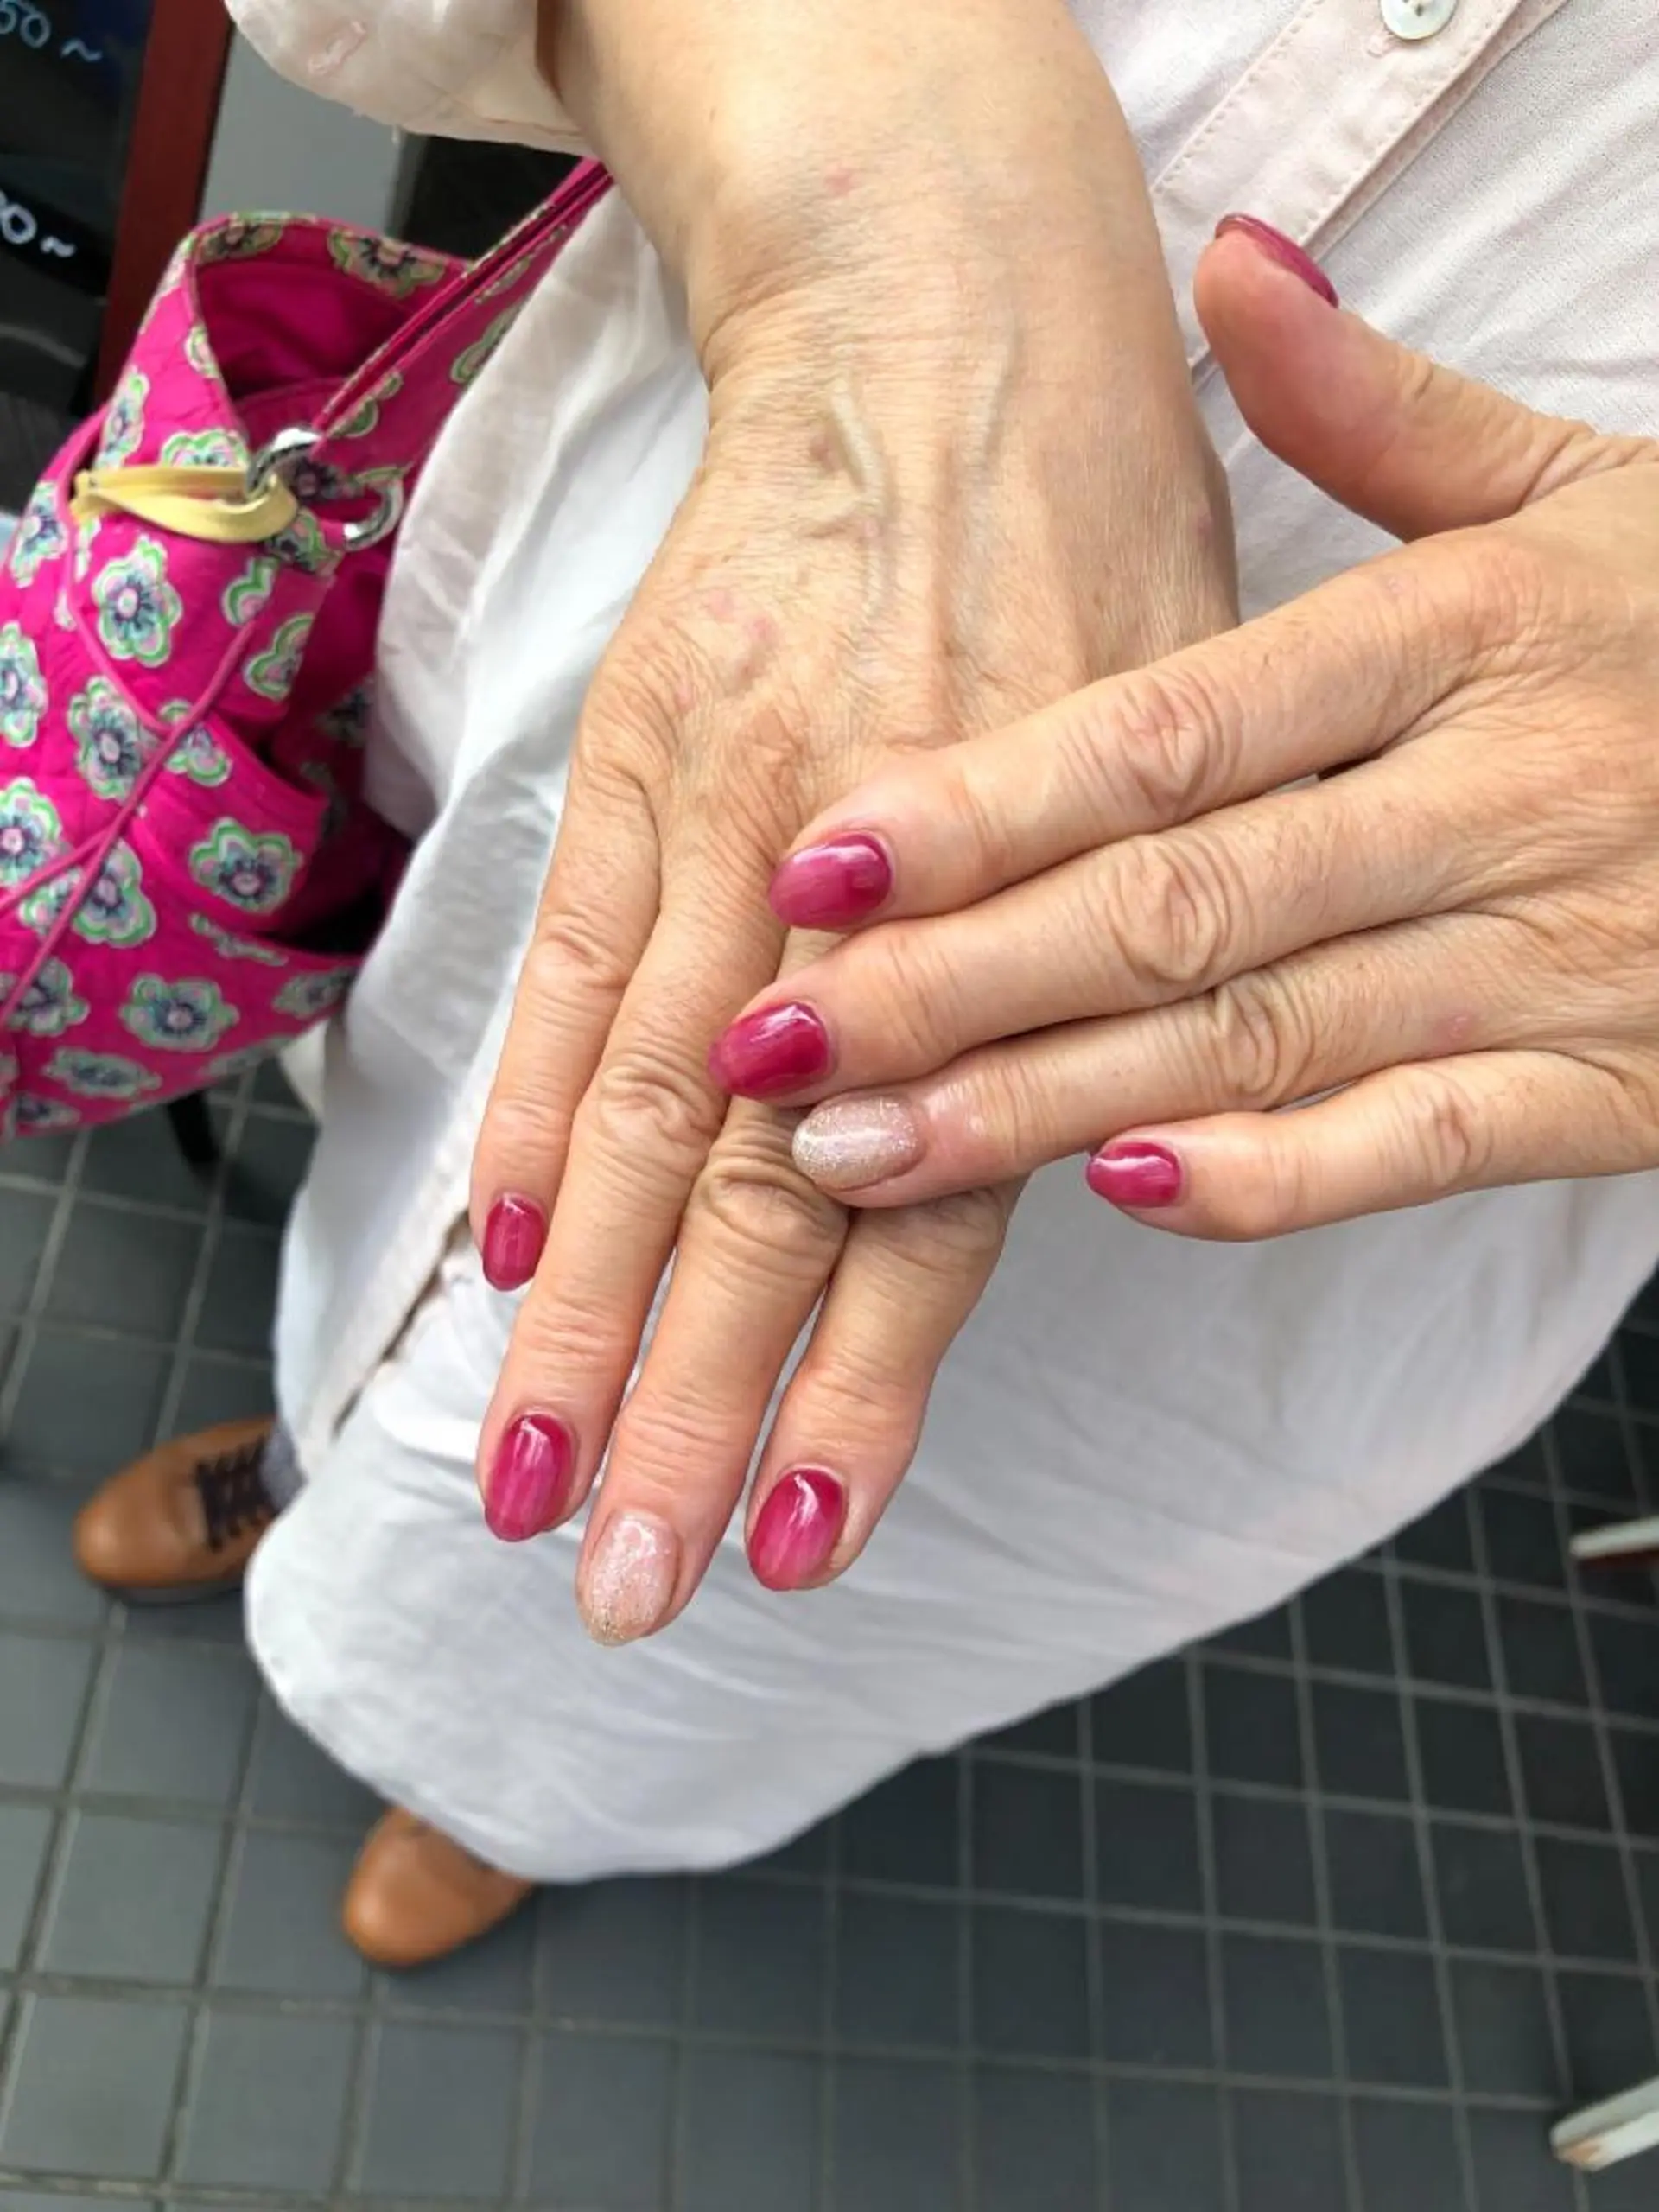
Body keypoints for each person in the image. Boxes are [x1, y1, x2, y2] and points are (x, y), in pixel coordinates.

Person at [73, 0, 1659, 1968]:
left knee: (815, 1525)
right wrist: (897, 212)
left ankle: (516, 1777)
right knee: (480, 1158)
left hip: (1432, 1027)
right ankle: (321, 1449)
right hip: (733, 472)